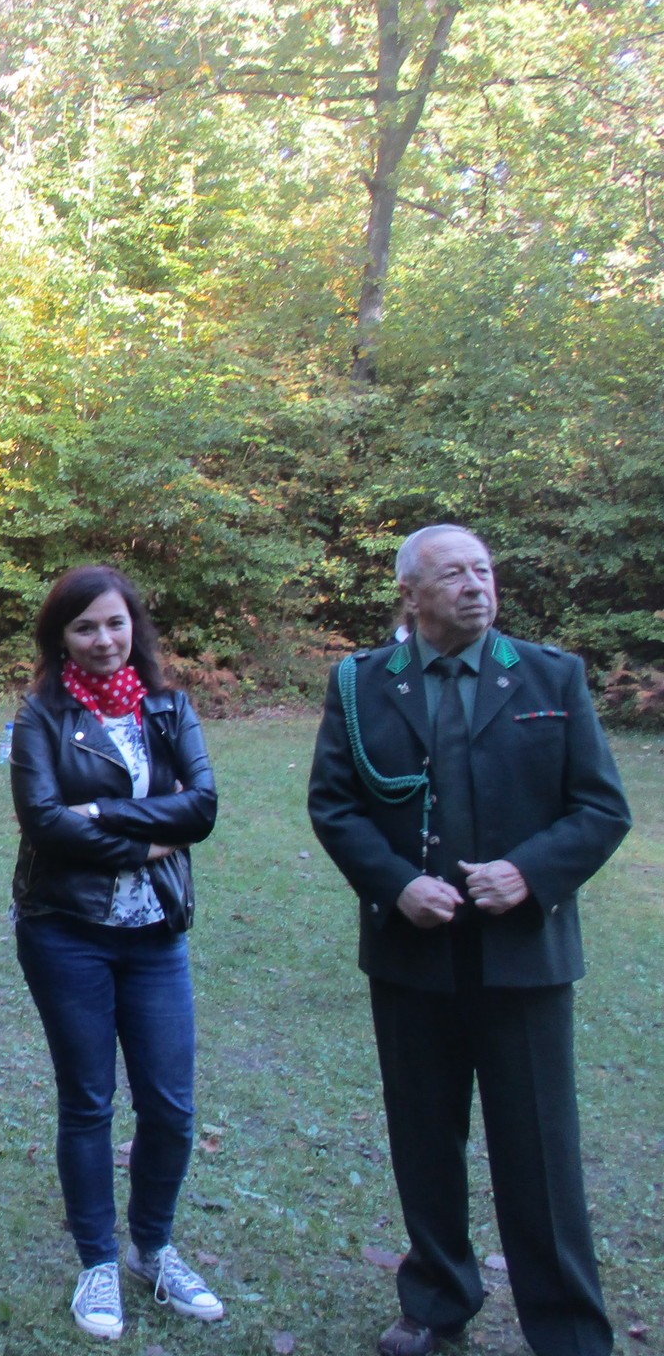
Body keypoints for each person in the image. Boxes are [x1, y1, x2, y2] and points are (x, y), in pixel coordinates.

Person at [308, 524, 630, 1356]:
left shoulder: (552, 675)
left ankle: (567, 1330)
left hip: (523, 957)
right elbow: (335, 804)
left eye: (482, 570)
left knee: (540, 1151)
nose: (475, 586)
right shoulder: (362, 683)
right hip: (413, 956)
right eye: (452, 575)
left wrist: (528, 873)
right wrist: (396, 884)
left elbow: (601, 808)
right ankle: (436, 1300)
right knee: (425, 1139)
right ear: (410, 594)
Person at [9, 565, 223, 1339]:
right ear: (60, 637)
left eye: (115, 623)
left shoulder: (168, 708)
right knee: (89, 1101)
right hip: (67, 930)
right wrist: (140, 841)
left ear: (136, 626)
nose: (104, 640)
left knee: (170, 1105)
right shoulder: (41, 716)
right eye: (85, 627)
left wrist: (100, 809)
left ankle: (152, 1248)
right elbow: (43, 820)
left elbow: (202, 807)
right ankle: (98, 1260)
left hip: (156, 934)